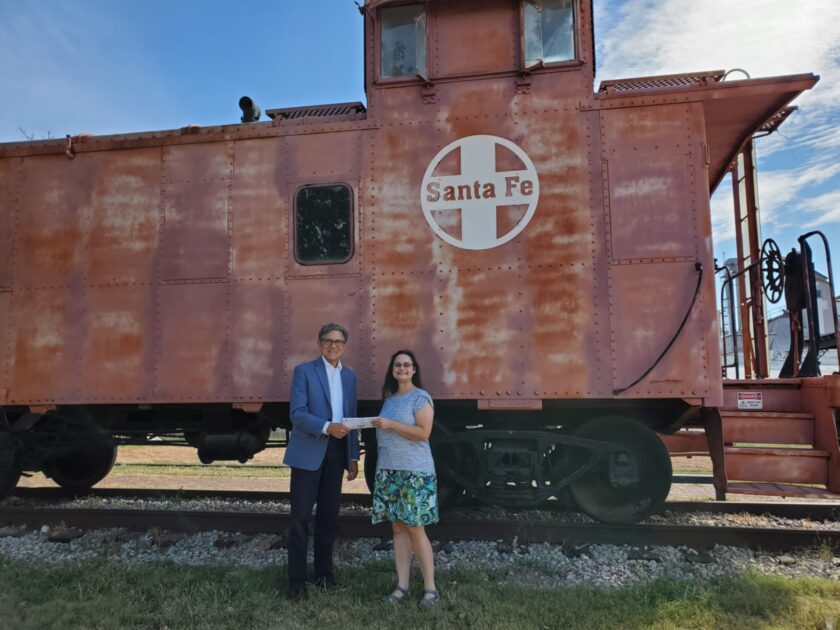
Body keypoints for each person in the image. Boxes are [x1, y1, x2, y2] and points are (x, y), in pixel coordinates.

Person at [284, 323, 360, 601]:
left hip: (338, 453)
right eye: (328, 341)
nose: (333, 346)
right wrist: (328, 426)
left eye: (339, 342)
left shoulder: (350, 377)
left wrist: (353, 456)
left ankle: (324, 575)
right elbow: (298, 414)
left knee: (329, 518)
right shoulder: (304, 372)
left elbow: (351, 416)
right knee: (300, 519)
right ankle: (296, 582)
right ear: (319, 343)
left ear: (345, 346)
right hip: (309, 453)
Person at [371, 349, 439, 606]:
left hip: (414, 472)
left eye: (406, 365)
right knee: (397, 528)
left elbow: (424, 433)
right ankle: (402, 586)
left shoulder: (421, 397)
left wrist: (391, 425)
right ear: (392, 369)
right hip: (389, 471)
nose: (402, 368)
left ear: (414, 370)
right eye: (397, 364)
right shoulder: (389, 400)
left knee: (415, 528)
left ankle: (430, 588)